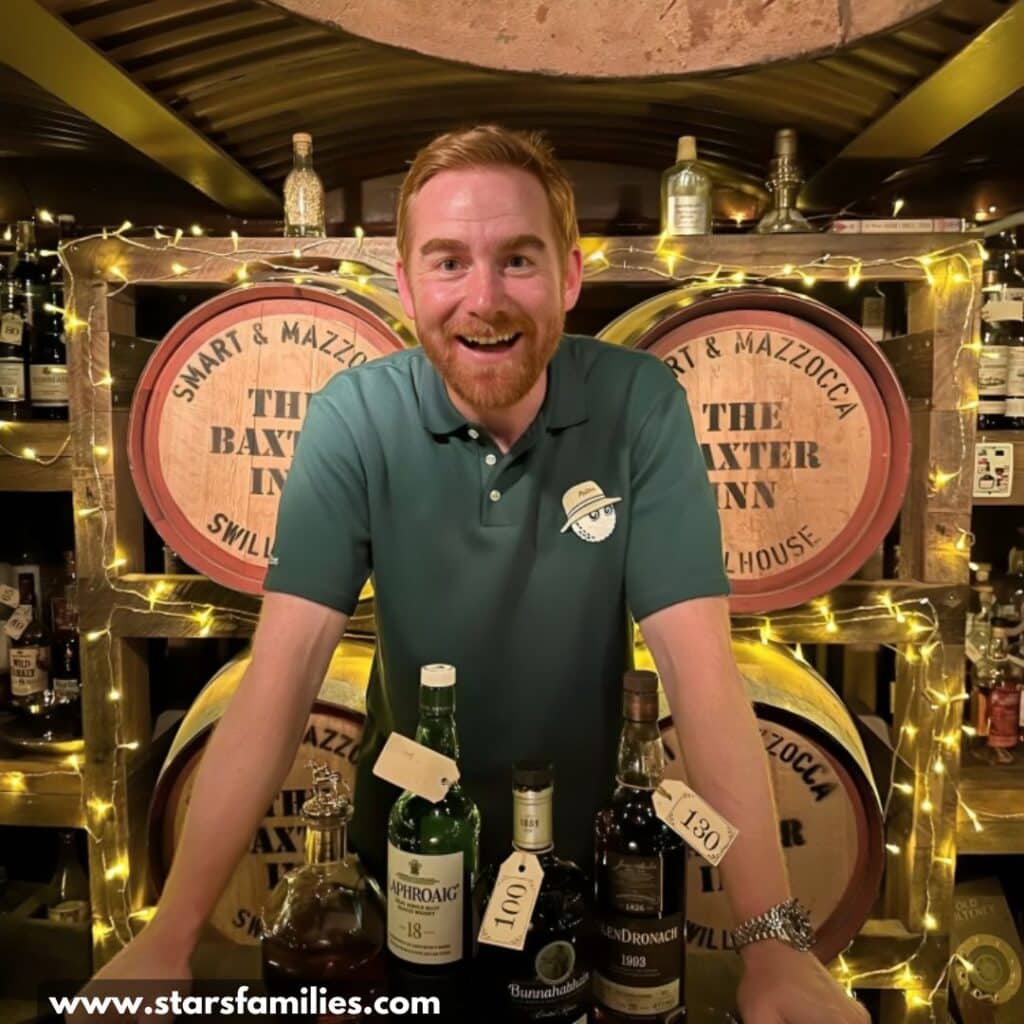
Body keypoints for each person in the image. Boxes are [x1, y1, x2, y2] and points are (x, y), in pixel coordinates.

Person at [86, 126, 868, 1023]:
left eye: (519, 261)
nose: (484, 299)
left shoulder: (640, 403)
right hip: (411, 873)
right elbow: (282, 677)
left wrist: (774, 946)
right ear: (407, 280)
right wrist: (168, 936)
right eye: (449, 262)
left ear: (570, 276)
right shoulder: (357, 415)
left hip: (585, 880)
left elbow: (702, 675)